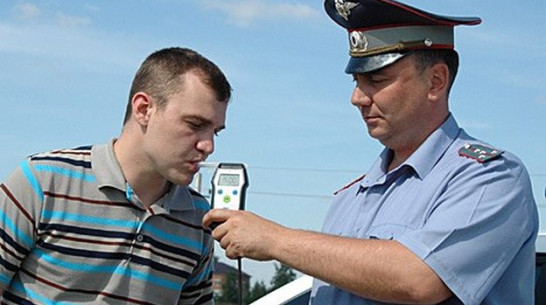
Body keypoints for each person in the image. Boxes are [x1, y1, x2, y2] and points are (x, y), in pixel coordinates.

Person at [203, 0, 539, 304]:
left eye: (376, 80)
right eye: (357, 82)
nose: (358, 98)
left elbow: (418, 279)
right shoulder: (350, 198)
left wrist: (276, 240)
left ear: (436, 81)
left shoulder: (491, 178)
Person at [0, 47, 231, 304]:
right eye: (195, 125)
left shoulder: (198, 218)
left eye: (215, 132)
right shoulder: (43, 182)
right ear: (143, 109)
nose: (208, 146)